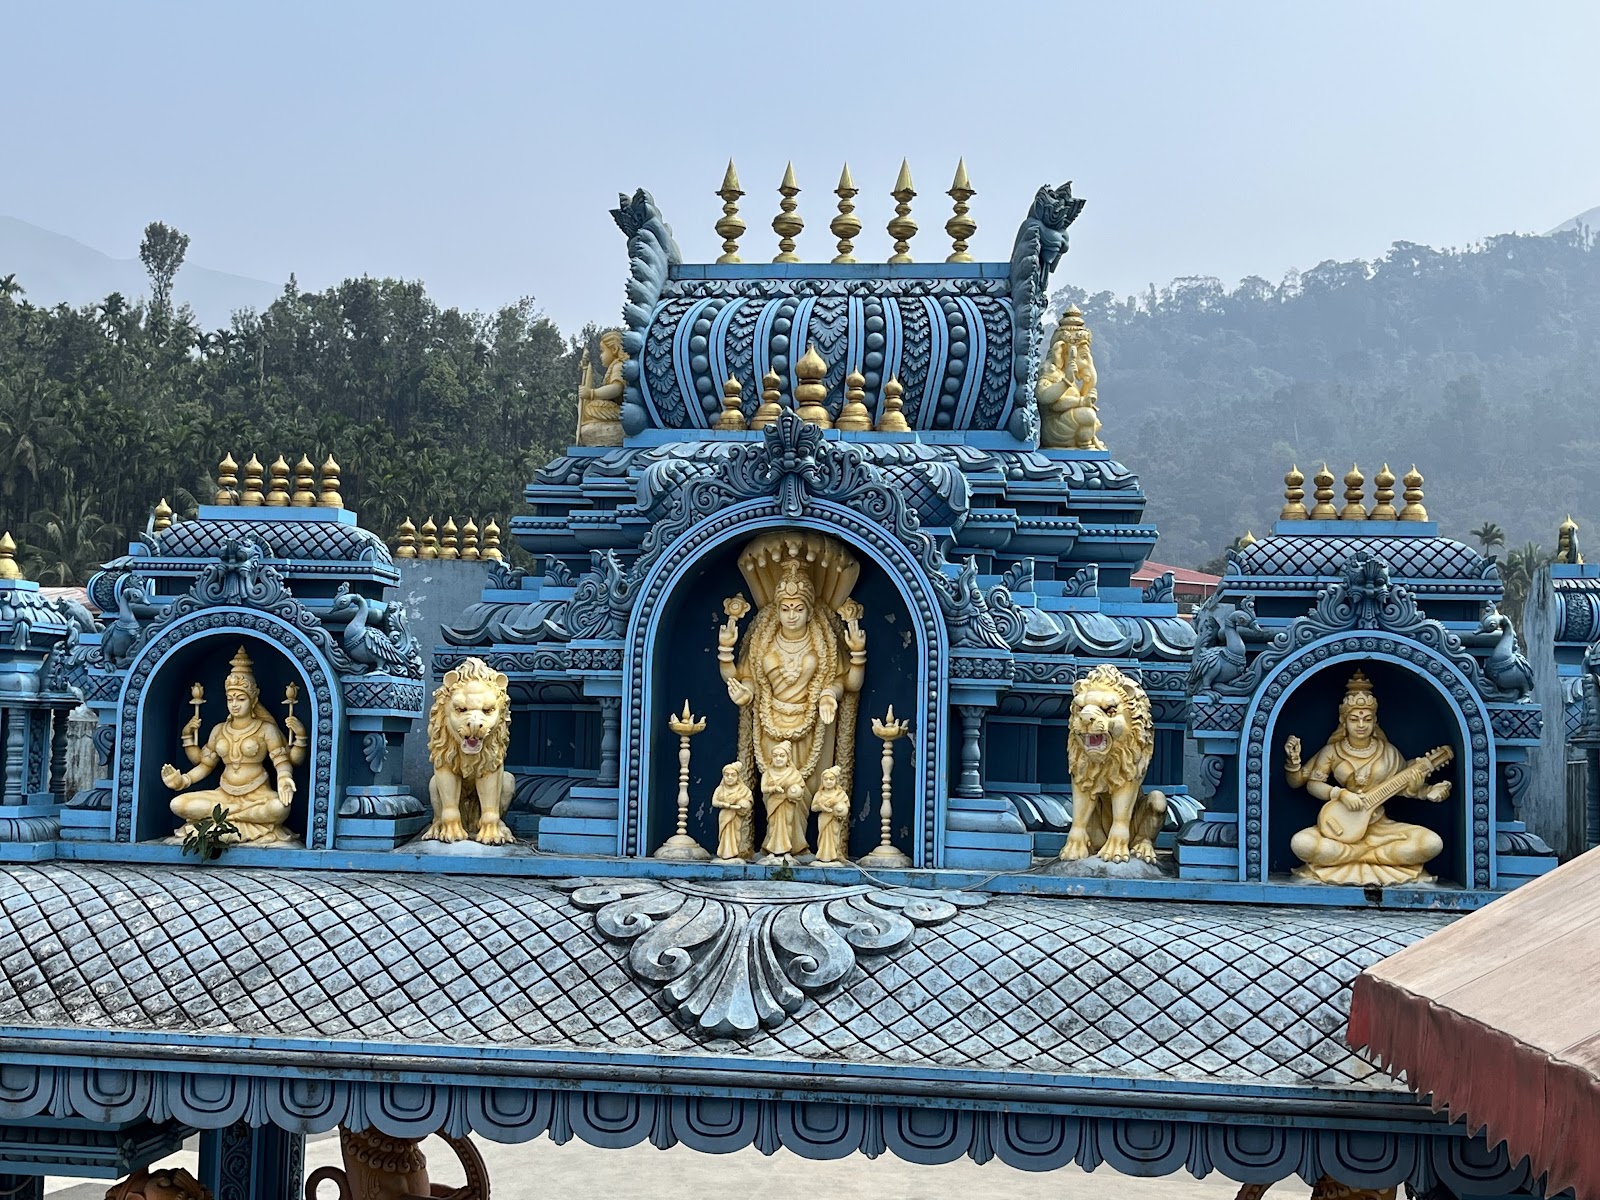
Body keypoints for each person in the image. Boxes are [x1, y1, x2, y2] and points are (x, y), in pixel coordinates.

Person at [1283, 670, 1448, 885]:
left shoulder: (1387, 751)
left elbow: (1405, 787)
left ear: (1374, 720)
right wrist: (1339, 793)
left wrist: (1427, 791)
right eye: (1354, 719)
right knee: (1302, 843)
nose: (1361, 725)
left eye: (1367, 719)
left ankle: (1356, 856)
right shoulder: (1333, 751)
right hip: (1340, 828)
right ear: (1344, 720)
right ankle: (1376, 859)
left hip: (1381, 829)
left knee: (1432, 843)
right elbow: (1310, 783)